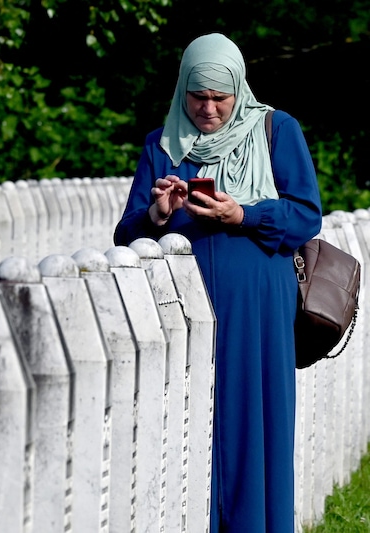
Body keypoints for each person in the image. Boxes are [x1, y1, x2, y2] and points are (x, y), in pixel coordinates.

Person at [114, 33, 322, 531]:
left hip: (256, 307)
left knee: (254, 416)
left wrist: (243, 213)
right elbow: (126, 234)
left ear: (238, 91)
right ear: (182, 89)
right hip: (181, 307)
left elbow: (306, 215)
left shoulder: (276, 129)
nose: (207, 109)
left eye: (219, 98)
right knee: (189, 424)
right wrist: (158, 213)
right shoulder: (161, 144)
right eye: (197, 96)